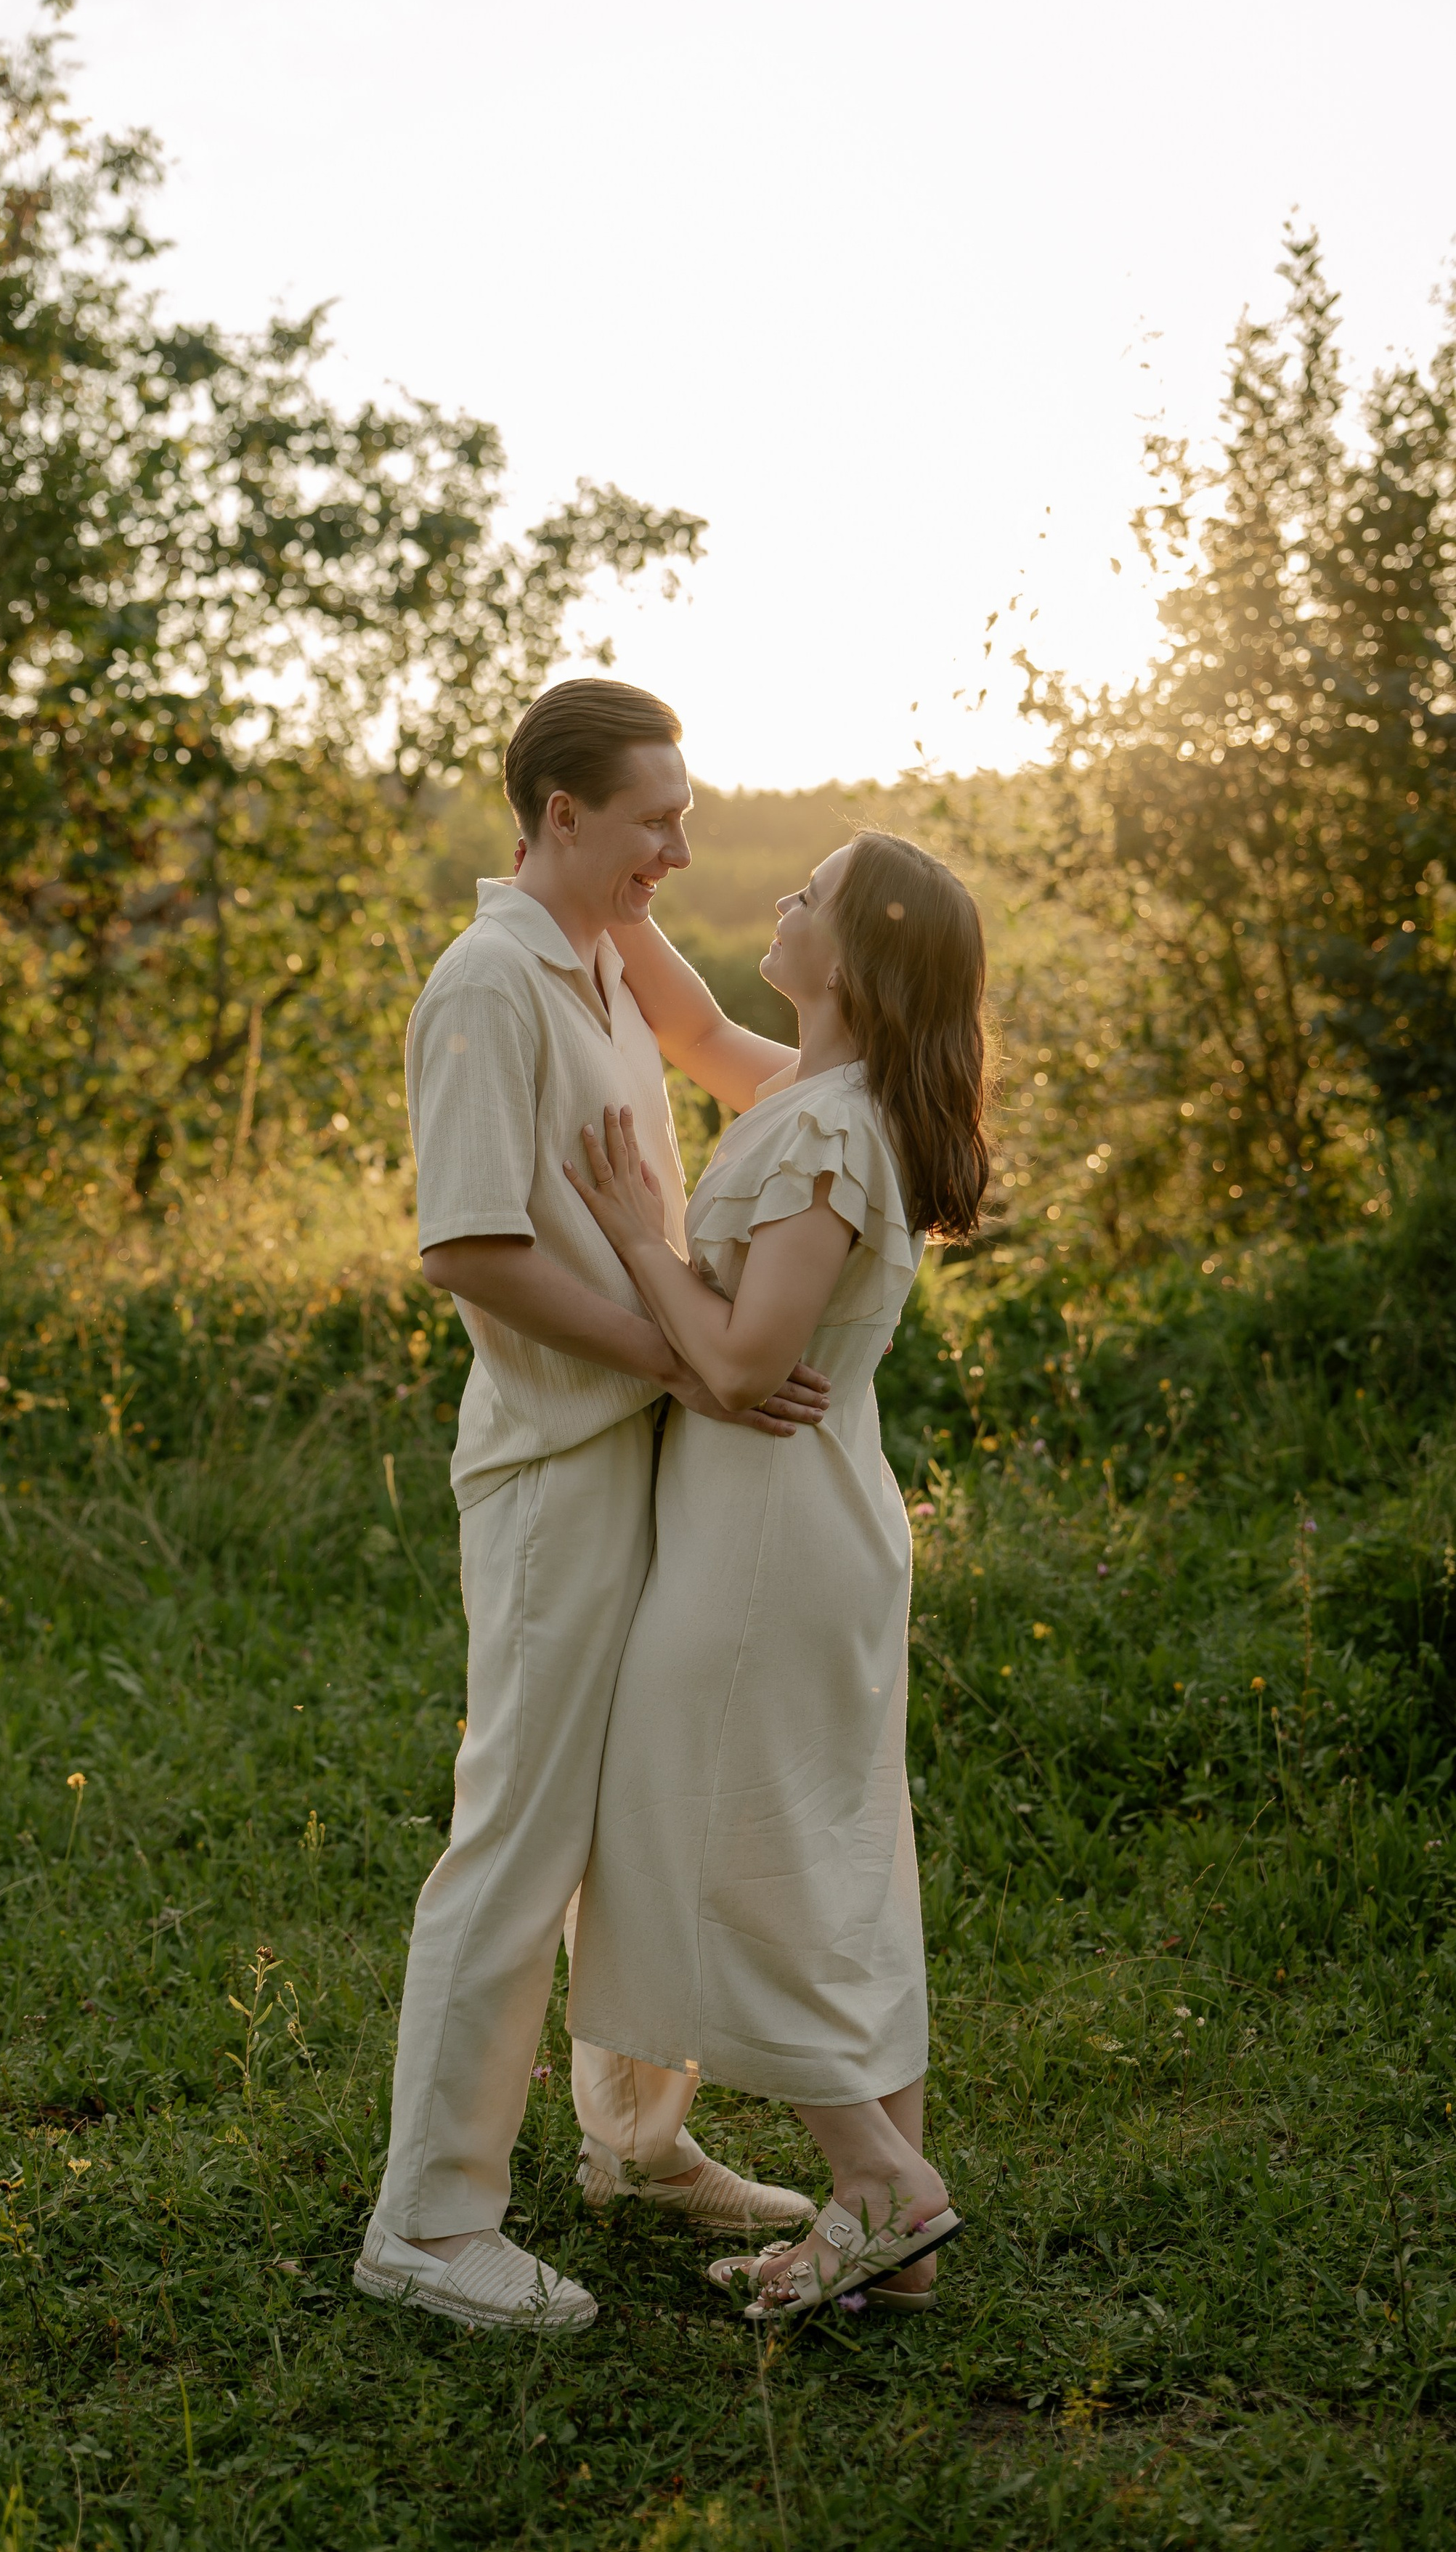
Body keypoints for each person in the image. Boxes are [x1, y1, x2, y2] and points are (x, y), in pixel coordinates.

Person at [354, 681, 829, 2334]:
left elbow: (734, 1055)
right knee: (520, 1834)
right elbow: (469, 1249)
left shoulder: (610, 953)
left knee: (645, 1808)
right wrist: (683, 1357)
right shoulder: (487, 983)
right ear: (561, 816)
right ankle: (427, 2222)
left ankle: (634, 2138)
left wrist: (890, 1096)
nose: (679, 850)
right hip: (558, 1468)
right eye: (652, 821)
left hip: (651, 1436)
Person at [564, 828, 990, 2321]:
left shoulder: (826, 1135)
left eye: (806, 896)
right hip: (797, 1522)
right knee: (821, 1859)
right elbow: (682, 1021)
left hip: (765, 1541)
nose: (780, 901)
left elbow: (746, 1360)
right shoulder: (810, 1095)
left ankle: (876, 2182)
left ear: (857, 956)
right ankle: (896, 2247)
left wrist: (634, 1233)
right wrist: (594, 883)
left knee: (719, 1848)